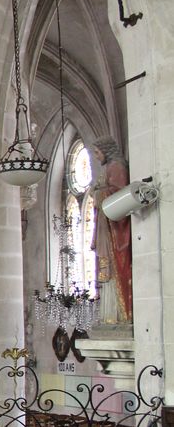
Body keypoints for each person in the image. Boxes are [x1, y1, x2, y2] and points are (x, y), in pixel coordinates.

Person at [88, 137, 132, 324]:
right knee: (106, 267)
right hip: (105, 226)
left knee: (115, 267)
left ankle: (120, 315)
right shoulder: (109, 167)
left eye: (97, 152)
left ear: (106, 150)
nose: (97, 157)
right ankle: (110, 316)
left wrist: (97, 193)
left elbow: (119, 195)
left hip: (114, 229)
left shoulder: (116, 167)